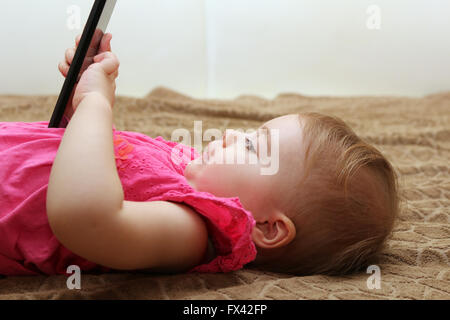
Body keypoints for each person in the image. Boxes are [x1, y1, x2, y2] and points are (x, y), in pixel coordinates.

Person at [0, 33, 399, 276]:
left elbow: (84, 215)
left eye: (251, 146)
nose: (228, 134)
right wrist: (78, 113)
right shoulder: (187, 165)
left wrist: (96, 107)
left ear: (267, 228)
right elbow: (90, 163)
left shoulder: (189, 231)